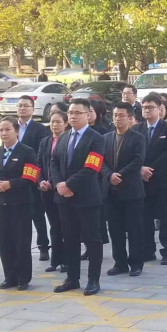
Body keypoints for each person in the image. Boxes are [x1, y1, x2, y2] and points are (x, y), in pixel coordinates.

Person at [50, 99, 106, 296]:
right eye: (70, 112)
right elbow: (53, 162)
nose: (72, 116)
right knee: (70, 239)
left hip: (87, 198)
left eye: (77, 113)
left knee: (92, 240)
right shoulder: (64, 136)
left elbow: (92, 167)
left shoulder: (96, 139)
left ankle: (93, 280)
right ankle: (72, 278)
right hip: (64, 198)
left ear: (88, 115)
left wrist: (69, 185)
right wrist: (59, 184)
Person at [0, 117, 39, 291]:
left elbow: (31, 176)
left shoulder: (27, 152)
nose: (4, 133)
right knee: (4, 240)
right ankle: (9, 276)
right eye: (1, 130)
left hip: (20, 203)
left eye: (7, 129)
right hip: (0, 203)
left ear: (16, 131)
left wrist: (11, 184)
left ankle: (23, 277)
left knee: (21, 241)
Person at [103, 103, 147, 276]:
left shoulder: (138, 138)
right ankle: (120, 263)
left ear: (130, 118)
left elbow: (138, 161)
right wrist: (109, 175)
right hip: (110, 191)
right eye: (115, 115)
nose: (117, 118)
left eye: (121, 115)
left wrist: (119, 175)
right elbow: (100, 161)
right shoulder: (105, 138)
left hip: (131, 190)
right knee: (115, 230)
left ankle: (136, 263)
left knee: (134, 229)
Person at [135, 94, 167, 264]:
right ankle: (148, 250)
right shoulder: (137, 129)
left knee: (165, 217)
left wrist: (149, 169)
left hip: (163, 180)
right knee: (145, 218)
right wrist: (141, 168)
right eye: (144, 107)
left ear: (159, 109)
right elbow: (134, 153)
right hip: (142, 181)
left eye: (150, 107)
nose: (146, 110)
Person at [16, 95, 52, 262]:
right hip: (14, 179)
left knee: (38, 214)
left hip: (33, 178)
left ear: (32, 109)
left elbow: (40, 155)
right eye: (20, 105)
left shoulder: (40, 129)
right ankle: (20, 247)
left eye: (26, 106)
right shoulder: (11, 126)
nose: (22, 108)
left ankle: (43, 246)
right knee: (19, 217)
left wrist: (32, 176)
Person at [38, 110, 67, 273]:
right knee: (54, 226)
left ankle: (66, 260)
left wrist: (57, 183)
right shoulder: (45, 142)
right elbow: (38, 163)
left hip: (61, 190)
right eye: (52, 122)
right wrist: (40, 181)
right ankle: (55, 260)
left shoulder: (68, 140)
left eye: (58, 122)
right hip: (46, 190)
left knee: (65, 226)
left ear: (65, 124)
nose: (54, 125)